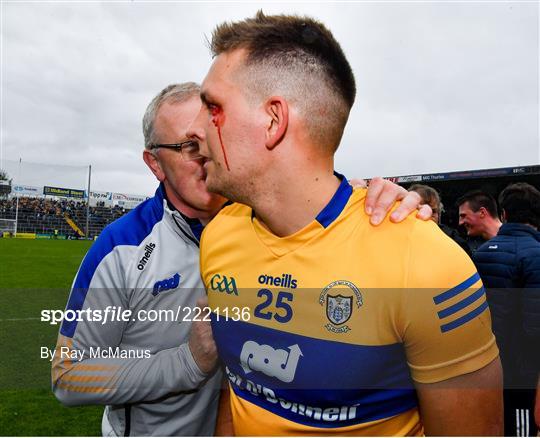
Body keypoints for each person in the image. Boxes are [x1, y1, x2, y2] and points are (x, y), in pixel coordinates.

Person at [51, 82, 429, 436]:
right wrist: (186, 362)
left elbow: (318, 194)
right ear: (154, 163)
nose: (207, 155)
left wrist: (367, 202)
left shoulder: (267, 223)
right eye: (188, 146)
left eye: (213, 138)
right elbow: (69, 375)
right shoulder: (123, 247)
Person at [189, 12, 503, 436]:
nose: (196, 129)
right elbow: (240, 389)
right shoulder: (219, 236)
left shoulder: (424, 264)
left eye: (213, 108)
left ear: (273, 120)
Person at [473, 182, 540, 436]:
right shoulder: (536, 254)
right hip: (522, 372)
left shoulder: (481, 253)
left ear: (504, 214)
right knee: (520, 429)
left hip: (486, 364)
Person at [409, 183, 472, 256]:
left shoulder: (454, 241)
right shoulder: (397, 237)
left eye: (433, 211)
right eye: (419, 209)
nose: (428, 214)